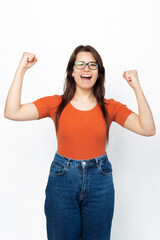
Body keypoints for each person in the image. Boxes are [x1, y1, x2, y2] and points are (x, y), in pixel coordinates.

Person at [4, 45, 156, 240]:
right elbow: (11, 112)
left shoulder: (110, 107)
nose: (86, 68)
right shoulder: (56, 104)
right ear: (72, 72)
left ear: (99, 73)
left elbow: (148, 128)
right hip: (62, 181)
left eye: (93, 65)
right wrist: (21, 69)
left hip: (100, 182)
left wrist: (137, 87)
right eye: (80, 64)